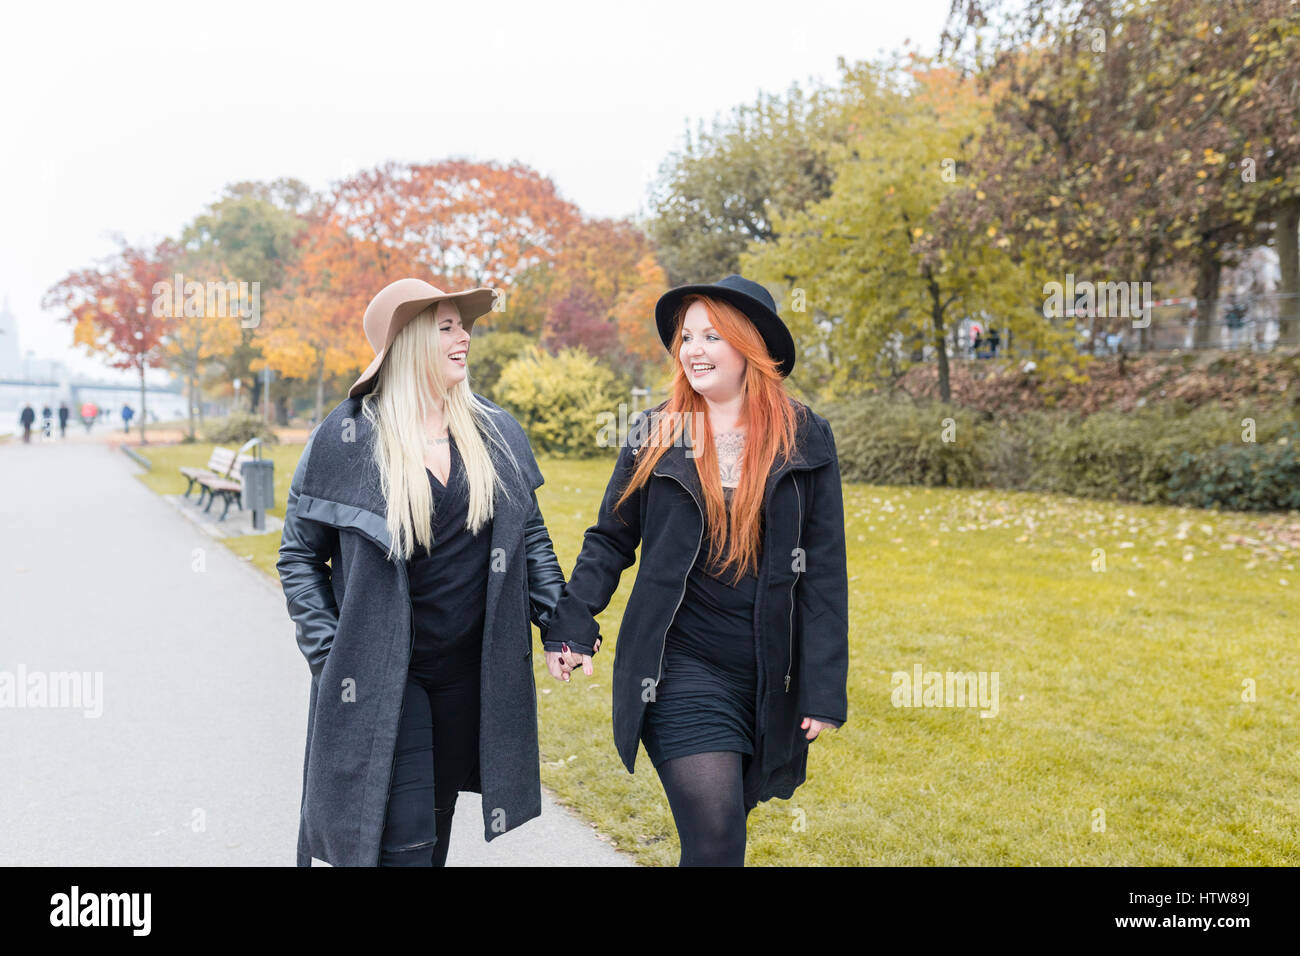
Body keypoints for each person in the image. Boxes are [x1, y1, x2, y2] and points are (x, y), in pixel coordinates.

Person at [546, 274, 850, 866]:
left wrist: (823, 684)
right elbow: (611, 537)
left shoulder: (804, 436)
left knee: (724, 835)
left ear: (751, 347)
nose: (694, 350)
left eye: (712, 335)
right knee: (714, 838)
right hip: (676, 668)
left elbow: (824, 571)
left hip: (766, 673)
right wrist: (573, 622)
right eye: (687, 337)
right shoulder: (659, 432)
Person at [277, 277, 573, 867]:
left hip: (467, 671)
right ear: (410, 342)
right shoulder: (346, 438)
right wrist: (332, 654)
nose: (464, 336)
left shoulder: (494, 432)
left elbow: (530, 535)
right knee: (402, 846)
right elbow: (299, 557)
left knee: (431, 837)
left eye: (462, 325)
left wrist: (559, 621)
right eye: (446, 326)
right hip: (385, 674)